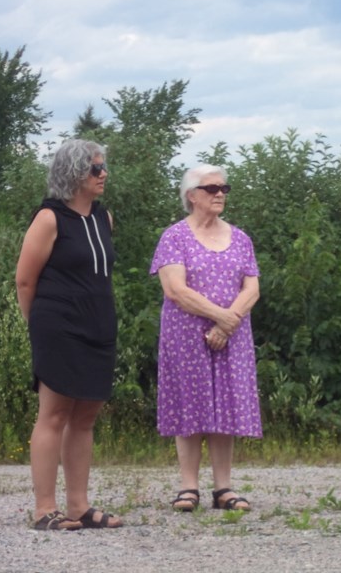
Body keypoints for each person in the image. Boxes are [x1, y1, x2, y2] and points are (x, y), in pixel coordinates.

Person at [15, 139, 123, 530]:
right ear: (75, 173)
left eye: (104, 166)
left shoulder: (103, 217)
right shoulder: (49, 218)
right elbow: (25, 280)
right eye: (96, 168)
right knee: (55, 413)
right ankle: (45, 509)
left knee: (86, 415)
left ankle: (79, 505)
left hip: (98, 323)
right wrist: (39, 329)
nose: (103, 174)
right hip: (57, 325)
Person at [150, 164, 262, 512]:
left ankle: (224, 488)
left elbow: (252, 287)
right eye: (211, 188)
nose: (219, 194)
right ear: (191, 195)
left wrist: (227, 325)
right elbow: (175, 289)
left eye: (223, 188)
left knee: (225, 406)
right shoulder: (174, 237)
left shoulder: (241, 237)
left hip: (232, 335)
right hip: (186, 335)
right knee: (189, 404)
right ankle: (188, 487)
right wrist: (221, 317)